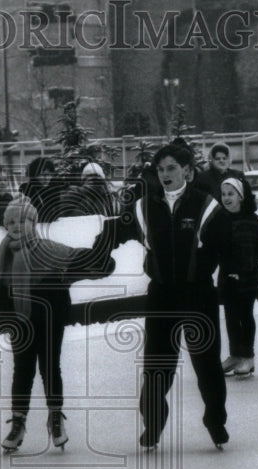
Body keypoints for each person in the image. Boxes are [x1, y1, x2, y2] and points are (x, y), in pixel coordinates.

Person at [0, 195, 114, 452]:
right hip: (18, 322)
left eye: (22, 220)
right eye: (11, 221)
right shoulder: (0, 256)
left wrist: (101, 259)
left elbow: (79, 260)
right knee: (22, 370)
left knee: (50, 367)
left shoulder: (50, 250)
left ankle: (55, 417)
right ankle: (18, 422)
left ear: (33, 223)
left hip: (50, 319)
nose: (15, 225)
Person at [96, 143, 229, 451]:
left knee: (207, 364)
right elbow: (116, 230)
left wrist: (236, 273)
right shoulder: (145, 207)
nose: (165, 174)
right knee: (156, 368)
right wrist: (97, 253)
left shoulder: (206, 205)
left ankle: (215, 420)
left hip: (198, 295)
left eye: (171, 168)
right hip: (162, 296)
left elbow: (228, 244)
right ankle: (153, 423)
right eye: (161, 169)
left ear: (188, 171)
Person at [202, 177, 258, 378]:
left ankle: (248, 356)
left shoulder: (252, 220)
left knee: (244, 316)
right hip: (227, 277)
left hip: (249, 277)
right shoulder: (219, 220)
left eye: (231, 194)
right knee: (231, 318)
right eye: (224, 194)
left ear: (241, 197)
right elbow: (209, 248)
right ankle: (235, 355)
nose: (227, 198)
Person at [18, 156, 63, 223]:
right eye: (42, 175)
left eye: (49, 174)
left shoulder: (54, 189)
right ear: (34, 175)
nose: (46, 178)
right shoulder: (26, 189)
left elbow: (57, 214)